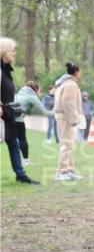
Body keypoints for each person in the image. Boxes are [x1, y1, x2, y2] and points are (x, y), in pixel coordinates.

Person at [1, 37, 39, 184]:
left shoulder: (6, 71)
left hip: (8, 115)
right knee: (14, 144)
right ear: (3, 52)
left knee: (14, 144)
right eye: (12, 50)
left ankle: (20, 175)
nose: (14, 53)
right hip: (2, 115)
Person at [53, 62, 84, 181]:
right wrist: (74, 119)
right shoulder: (70, 84)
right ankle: (62, 172)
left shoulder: (64, 83)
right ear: (76, 72)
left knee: (68, 144)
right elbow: (68, 102)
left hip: (62, 116)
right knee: (66, 144)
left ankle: (69, 170)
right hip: (66, 117)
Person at [14, 79, 53, 165]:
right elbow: (44, 112)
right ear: (35, 90)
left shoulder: (19, 93)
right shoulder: (32, 97)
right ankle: (25, 160)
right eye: (39, 91)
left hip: (9, 119)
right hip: (18, 121)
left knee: (11, 140)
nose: (40, 93)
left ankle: (18, 161)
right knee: (22, 139)